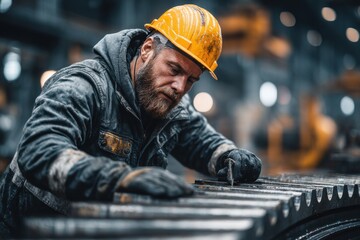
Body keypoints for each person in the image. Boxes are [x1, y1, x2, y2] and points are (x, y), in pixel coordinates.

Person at [0, 4, 262, 237]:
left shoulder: (170, 104)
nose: (180, 87)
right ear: (147, 49)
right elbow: (39, 152)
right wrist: (120, 180)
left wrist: (230, 156)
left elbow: (201, 141)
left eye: (191, 80)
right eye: (174, 69)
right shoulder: (85, 86)